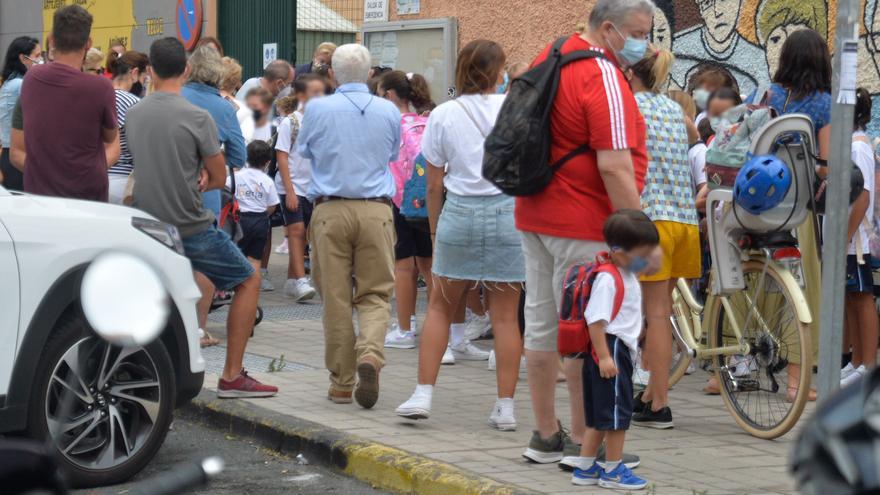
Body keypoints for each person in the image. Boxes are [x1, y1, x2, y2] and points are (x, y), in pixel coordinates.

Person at [515, 0, 649, 469]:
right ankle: (581, 440)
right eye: (638, 32)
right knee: (587, 332)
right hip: (584, 222)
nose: (644, 44)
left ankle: (544, 433)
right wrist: (637, 236)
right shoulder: (604, 76)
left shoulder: (550, 54)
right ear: (609, 29)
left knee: (542, 327)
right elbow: (614, 163)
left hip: (535, 212)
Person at [127, 36, 276, 398]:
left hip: (145, 223)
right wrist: (204, 177)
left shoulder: (135, 112)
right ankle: (231, 374)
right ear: (187, 69)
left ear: (149, 71)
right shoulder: (199, 116)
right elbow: (220, 175)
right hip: (188, 224)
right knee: (247, 280)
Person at [395, 40, 525, 431]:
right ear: (498, 71)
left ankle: (423, 394)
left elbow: (434, 185)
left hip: (460, 213)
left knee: (439, 304)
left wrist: (435, 230)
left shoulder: (445, 114)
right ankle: (505, 406)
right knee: (505, 317)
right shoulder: (516, 111)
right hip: (506, 215)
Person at [296, 43, 400, 409]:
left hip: (330, 209)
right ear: (370, 73)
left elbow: (305, 151)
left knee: (336, 298)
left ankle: (341, 382)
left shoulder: (318, 109)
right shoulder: (388, 110)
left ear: (333, 74)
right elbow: (392, 155)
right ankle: (370, 354)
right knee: (375, 294)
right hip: (375, 210)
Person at [625, 48, 699, 430]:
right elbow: (694, 132)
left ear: (630, 73)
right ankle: (652, 394)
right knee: (662, 312)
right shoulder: (673, 108)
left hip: (652, 224)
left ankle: (660, 405)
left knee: (653, 314)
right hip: (684, 222)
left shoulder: (630, 107)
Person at [762, 28, 830, 402]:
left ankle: (728, 370)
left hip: (760, 203)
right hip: (797, 210)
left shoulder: (770, 95)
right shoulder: (824, 104)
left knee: (751, 280)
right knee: (801, 288)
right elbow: (826, 165)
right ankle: (795, 383)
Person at [570, 210, 658, 491]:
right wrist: (606, 357)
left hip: (618, 348)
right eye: (641, 254)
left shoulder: (625, 272)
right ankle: (614, 471)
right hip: (610, 350)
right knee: (618, 418)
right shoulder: (609, 278)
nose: (645, 260)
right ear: (618, 251)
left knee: (601, 415)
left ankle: (585, 467)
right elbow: (595, 321)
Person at [20, 4, 119, 202]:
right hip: (87, 199)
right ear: (88, 43)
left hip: (40, 198)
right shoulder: (100, 87)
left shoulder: (31, 78)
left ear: (52, 40)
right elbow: (110, 137)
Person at [376, 70, 436, 349]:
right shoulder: (425, 121)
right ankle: (441, 328)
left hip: (399, 202)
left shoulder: (387, 123)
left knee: (403, 267)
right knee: (429, 267)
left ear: (388, 95)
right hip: (427, 203)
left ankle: (405, 329)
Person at [275, 74, 326, 302]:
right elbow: (282, 157)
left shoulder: (323, 121)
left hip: (313, 188)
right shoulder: (290, 122)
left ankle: (291, 281)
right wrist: (290, 190)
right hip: (292, 186)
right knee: (295, 231)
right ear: (301, 95)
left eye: (321, 92)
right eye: (314, 92)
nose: (319, 97)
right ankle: (301, 279)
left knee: (305, 234)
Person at [840, 88, 878, 387]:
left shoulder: (858, 147)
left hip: (857, 240)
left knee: (863, 297)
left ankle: (868, 365)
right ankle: (855, 362)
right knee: (851, 296)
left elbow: (863, 197)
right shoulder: (850, 144)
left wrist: (846, 236)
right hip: (850, 238)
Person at [182, 44, 247, 217]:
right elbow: (239, 157)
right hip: (205, 193)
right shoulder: (225, 109)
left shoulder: (172, 95)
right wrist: (211, 158)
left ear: (189, 69)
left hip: (165, 190)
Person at [229, 140, 280, 273]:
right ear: (267, 162)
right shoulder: (268, 181)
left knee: (236, 254)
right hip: (260, 221)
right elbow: (272, 205)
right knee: (255, 258)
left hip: (239, 220)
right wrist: (263, 214)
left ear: (246, 157)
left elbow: (224, 190)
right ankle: (253, 284)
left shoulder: (236, 176)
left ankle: (233, 285)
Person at [106, 50, 149, 204]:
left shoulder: (100, 96)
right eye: (144, 78)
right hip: (122, 182)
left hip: (96, 179)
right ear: (134, 73)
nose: (144, 84)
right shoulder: (133, 103)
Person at [0, 36, 41, 191]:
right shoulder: (22, 85)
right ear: (23, 58)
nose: (40, 60)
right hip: (20, 156)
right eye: (37, 56)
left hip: (8, 154)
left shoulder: (8, 83)